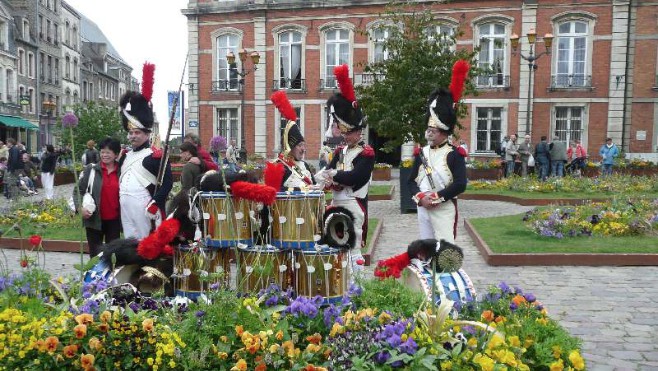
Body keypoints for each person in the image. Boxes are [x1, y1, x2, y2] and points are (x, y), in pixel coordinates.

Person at [408, 60, 469, 244]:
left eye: (433, 130)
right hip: (423, 207)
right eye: (429, 129)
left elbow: (460, 184)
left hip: (443, 207)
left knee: (445, 251)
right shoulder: (421, 153)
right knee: (426, 250)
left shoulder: (454, 154)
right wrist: (420, 198)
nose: (429, 132)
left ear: (444, 131)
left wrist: (435, 198)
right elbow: (411, 181)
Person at [321, 64, 375, 274]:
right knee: (336, 250)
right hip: (335, 203)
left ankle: (357, 290)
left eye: (348, 132)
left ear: (358, 131)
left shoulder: (366, 153)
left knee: (353, 251)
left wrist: (334, 175)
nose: (344, 136)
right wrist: (325, 178)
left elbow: (355, 178)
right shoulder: (340, 151)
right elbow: (328, 170)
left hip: (353, 203)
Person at [118, 65, 173, 240]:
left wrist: (156, 202)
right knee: (129, 240)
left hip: (144, 204)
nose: (133, 136)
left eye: (137, 133)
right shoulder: (125, 155)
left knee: (144, 240)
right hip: (125, 204)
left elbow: (167, 183)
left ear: (146, 134)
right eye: (131, 133)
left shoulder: (155, 155)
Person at [74, 137, 122, 257]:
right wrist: (80, 208)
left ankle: (110, 275)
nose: (104, 155)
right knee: (95, 256)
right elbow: (78, 191)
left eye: (108, 152)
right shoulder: (92, 169)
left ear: (116, 154)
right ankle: (94, 276)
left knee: (113, 256)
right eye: (102, 152)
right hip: (94, 220)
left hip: (114, 220)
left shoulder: (122, 171)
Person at [265, 91, 315, 190]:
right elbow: (274, 192)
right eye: (300, 145)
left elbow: (313, 185)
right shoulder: (277, 166)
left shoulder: (305, 165)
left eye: (304, 145)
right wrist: (303, 189)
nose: (303, 149)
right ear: (290, 146)